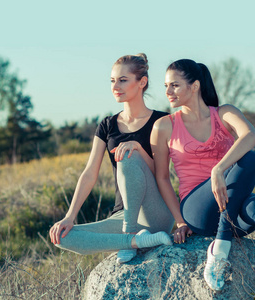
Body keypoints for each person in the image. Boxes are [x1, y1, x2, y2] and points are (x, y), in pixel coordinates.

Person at [151, 59, 255, 291]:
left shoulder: (224, 113)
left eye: (174, 85)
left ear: (195, 86)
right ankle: (220, 250)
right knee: (250, 168)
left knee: (254, 200)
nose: (168, 92)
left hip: (230, 209)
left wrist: (218, 169)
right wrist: (180, 221)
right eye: (166, 86)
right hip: (197, 210)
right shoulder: (165, 126)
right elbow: (162, 178)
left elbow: (250, 136)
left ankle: (222, 244)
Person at [49, 53, 174, 264]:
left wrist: (138, 149)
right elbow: (89, 173)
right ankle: (134, 241)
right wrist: (69, 217)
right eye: (112, 80)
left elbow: (162, 175)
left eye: (123, 80)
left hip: (156, 211)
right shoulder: (107, 125)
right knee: (61, 236)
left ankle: (128, 235)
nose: (116, 86)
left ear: (141, 82)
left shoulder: (162, 121)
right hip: (122, 215)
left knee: (127, 155)